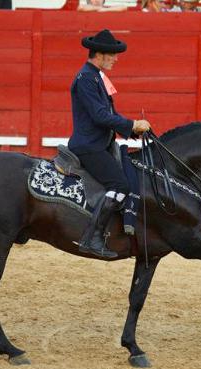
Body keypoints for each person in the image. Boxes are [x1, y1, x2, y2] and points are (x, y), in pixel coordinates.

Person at [68, 29, 151, 258]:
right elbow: (99, 116)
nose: (116, 58)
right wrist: (132, 124)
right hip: (89, 146)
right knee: (120, 185)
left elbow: (107, 113)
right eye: (113, 54)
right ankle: (92, 237)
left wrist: (132, 132)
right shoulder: (86, 78)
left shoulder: (95, 76)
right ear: (101, 54)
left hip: (98, 144)